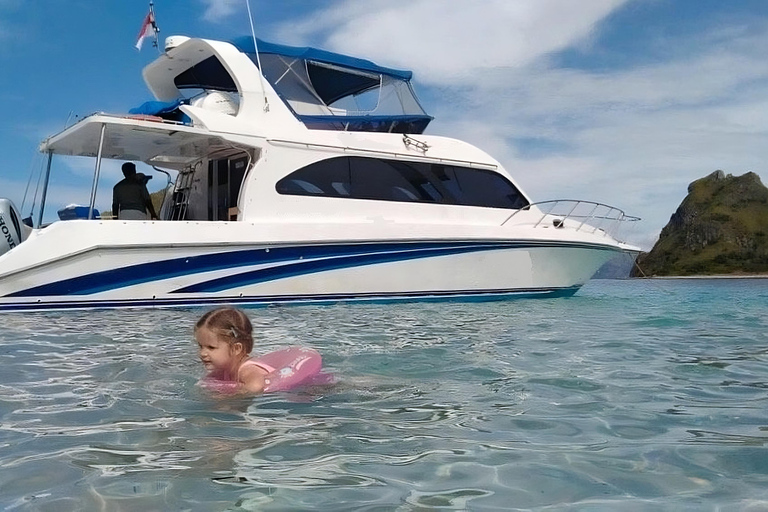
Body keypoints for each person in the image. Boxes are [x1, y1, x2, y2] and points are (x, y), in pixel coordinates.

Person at [194, 307, 269, 394]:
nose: (202, 353)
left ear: (236, 349)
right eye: (201, 346)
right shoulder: (223, 370)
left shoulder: (247, 370)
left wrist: (229, 396)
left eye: (211, 347)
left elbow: (256, 387)